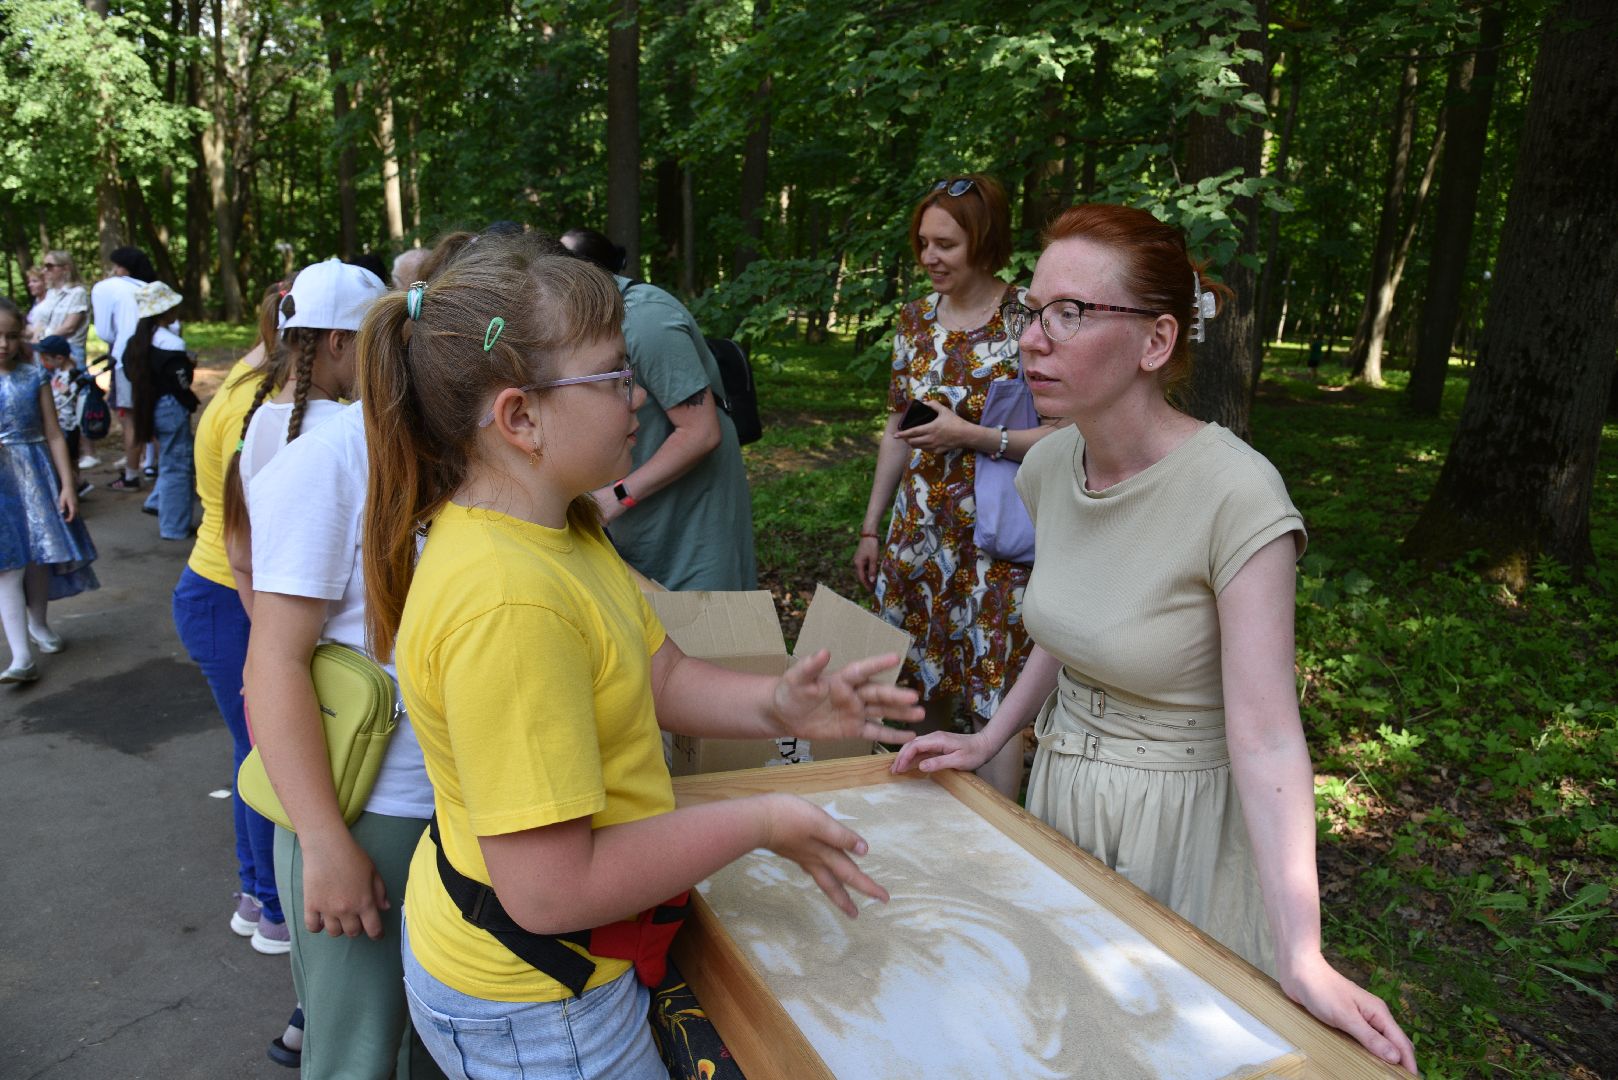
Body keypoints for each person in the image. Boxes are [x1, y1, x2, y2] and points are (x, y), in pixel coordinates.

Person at [358, 237, 922, 1079]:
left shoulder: (562, 526)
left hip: (563, 966)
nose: (639, 400)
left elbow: (658, 675)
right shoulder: (510, 603)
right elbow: (550, 891)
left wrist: (777, 709)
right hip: (537, 1004)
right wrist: (760, 820)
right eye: (614, 375)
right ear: (521, 418)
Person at [892, 204, 1417, 1074]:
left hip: (1183, 827)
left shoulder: (1237, 497)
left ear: (1156, 341)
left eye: (1072, 313)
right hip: (1064, 802)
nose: (1031, 340)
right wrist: (993, 735)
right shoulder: (1052, 466)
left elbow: (1268, 731)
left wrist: (1302, 951)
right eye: (1031, 310)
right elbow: (1072, 628)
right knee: (1064, 1040)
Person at [240, 258, 444, 1079]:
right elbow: (274, 659)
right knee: (361, 1052)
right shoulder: (327, 459)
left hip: (454, 809)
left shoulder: (469, 461)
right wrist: (324, 843)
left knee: (430, 1043)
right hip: (367, 805)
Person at [852, 174, 1058, 799]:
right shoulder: (914, 320)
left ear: (984, 240)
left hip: (996, 545)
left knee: (993, 702)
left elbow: (1064, 435)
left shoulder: (1029, 317)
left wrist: (971, 435)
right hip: (918, 539)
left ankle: (1001, 847)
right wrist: (871, 526)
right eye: (922, 243)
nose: (929, 258)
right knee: (916, 694)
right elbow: (897, 427)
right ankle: (919, 838)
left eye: (945, 244)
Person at [173, 283, 290, 954]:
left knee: (257, 751)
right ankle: (270, 902)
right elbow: (252, 538)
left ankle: (256, 895)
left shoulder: (254, 377)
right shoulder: (263, 404)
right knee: (266, 755)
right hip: (227, 596)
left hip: (219, 595)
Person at [560, 226, 756, 591]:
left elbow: (701, 432)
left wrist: (616, 496)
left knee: (708, 627)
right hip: (643, 508)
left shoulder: (644, 320)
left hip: (690, 511)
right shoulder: (595, 321)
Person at [0, 299, 97, 684]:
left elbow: (55, 433)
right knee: (8, 566)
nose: (4, 343)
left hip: (35, 473)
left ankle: (38, 624)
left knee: (40, 554)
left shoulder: (33, 376)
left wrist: (68, 485)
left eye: (11, 335)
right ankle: (21, 656)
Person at [122, 282, 198, 540]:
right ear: (165, 310)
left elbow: (130, 372)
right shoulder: (171, 344)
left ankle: (158, 503)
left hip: (149, 406)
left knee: (168, 459)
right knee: (178, 464)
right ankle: (174, 527)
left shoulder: (135, 342)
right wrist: (190, 366)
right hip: (170, 408)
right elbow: (182, 382)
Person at [91, 246, 159, 492]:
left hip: (127, 360)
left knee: (130, 419)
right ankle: (155, 465)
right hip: (155, 356)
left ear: (123, 268)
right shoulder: (151, 288)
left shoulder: (107, 287)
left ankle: (131, 475)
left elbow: (104, 332)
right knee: (153, 412)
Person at [33, 252, 96, 468]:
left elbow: (70, 326)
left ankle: (84, 452)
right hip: (46, 352)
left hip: (68, 352)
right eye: (44, 266)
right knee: (53, 402)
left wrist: (45, 338)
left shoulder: (77, 293)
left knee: (75, 401)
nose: (45, 271)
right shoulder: (50, 294)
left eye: (50, 266)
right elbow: (38, 322)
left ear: (65, 267)